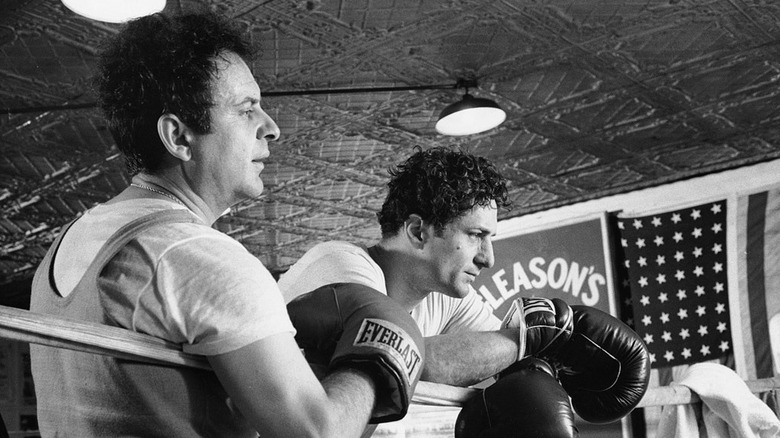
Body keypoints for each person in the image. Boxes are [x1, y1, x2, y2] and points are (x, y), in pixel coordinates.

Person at [28, 11, 423, 438]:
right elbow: (317, 433)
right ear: (179, 137)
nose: (271, 128)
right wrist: (377, 355)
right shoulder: (196, 257)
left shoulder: (69, 240)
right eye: (246, 109)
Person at [279, 146, 519, 386]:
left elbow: (506, 356)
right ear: (417, 232)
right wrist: (527, 340)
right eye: (476, 234)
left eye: (491, 238)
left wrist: (528, 343)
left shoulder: (446, 296)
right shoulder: (342, 266)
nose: (488, 258)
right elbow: (391, 364)